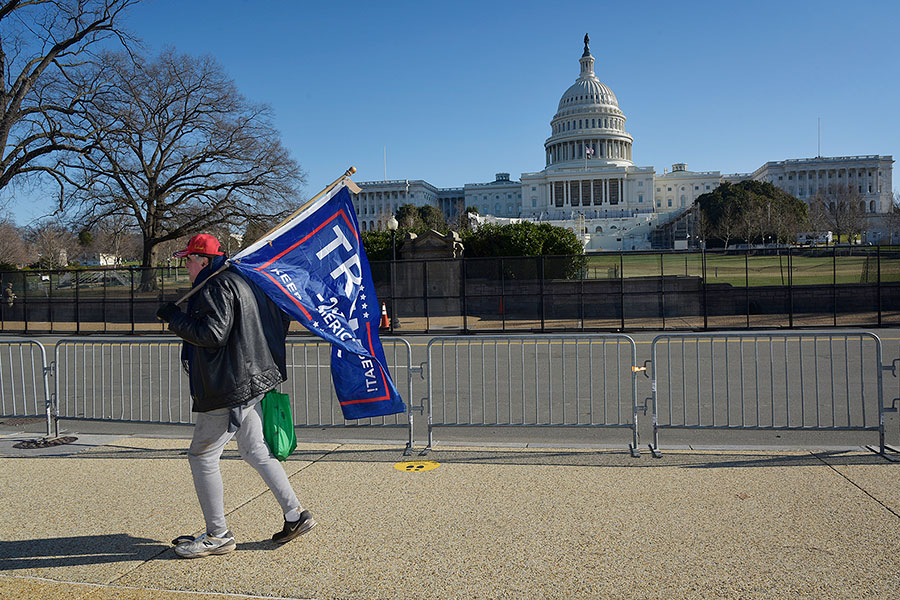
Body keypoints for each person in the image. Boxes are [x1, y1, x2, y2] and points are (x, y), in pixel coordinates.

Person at [156, 233, 315, 559]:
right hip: (250, 381)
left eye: (188, 260)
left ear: (202, 260)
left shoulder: (214, 286)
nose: (186, 265)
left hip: (228, 387)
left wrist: (174, 319)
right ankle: (295, 515)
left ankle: (218, 535)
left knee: (202, 456)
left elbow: (213, 333)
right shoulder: (240, 281)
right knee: (255, 449)